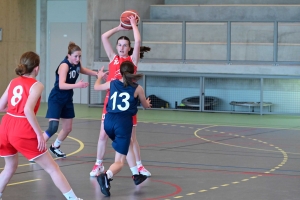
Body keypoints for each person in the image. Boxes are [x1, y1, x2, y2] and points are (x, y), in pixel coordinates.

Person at [0, 51, 82, 200]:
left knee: (10, 167)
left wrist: (13, 109)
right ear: (37, 68)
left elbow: (1, 106)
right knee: (53, 168)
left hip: (5, 125)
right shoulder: (37, 85)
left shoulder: (13, 81)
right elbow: (27, 110)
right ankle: (73, 199)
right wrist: (39, 133)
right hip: (21, 127)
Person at [90, 14, 151, 177]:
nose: (122, 47)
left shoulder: (133, 61)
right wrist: (120, 27)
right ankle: (98, 164)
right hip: (110, 104)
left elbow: (138, 41)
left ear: (129, 48)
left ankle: (138, 166)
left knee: (131, 139)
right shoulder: (113, 58)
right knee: (102, 134)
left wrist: (133, 25)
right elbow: (104, 36)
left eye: (125, 45)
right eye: (120, 45)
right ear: (116, 47)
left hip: (127, 106)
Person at [95, 61, 151, 197]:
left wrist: (99, 76)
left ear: (119, 72)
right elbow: (145, 105)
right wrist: (148, 104)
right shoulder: (137, 88)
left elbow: (96, 87)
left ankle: (136, 175)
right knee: (119, 161)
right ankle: (106, 176)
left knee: (128, 145)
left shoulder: (113, 83)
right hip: (122, 124)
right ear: (133, 73)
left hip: (108, 122)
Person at [43, 42, 98, 158]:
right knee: (53, 127)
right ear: (68, 55)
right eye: (75, 56)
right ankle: (36, 151)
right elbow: (61, 85)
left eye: (79, 56)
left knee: (68, 128)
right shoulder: (64, 65)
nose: (78, 59)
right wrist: (77, 85)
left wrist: (97, 74)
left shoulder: (76, 63)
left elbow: (81, 70)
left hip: (67, 99)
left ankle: (55, 146)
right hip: (57, 98)